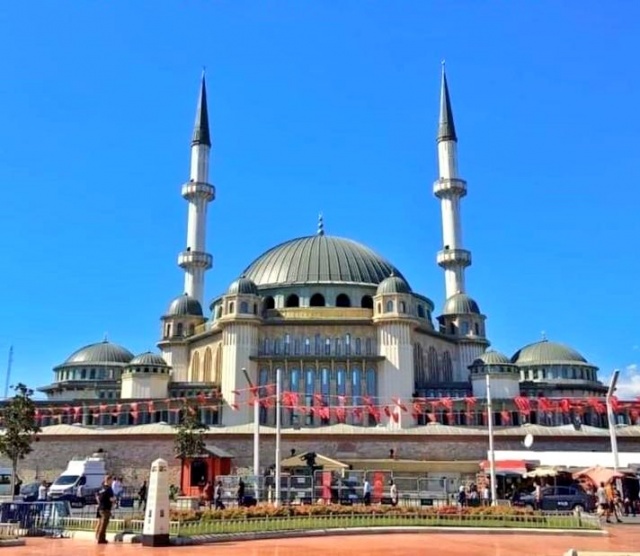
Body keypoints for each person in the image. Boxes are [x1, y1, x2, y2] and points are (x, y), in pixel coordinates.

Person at [95, 475, 115, 545]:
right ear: (108, 480)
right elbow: (111, 499)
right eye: (112, 480)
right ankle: (101, 539)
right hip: (106, 508)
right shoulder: (109, 489)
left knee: (100, 523)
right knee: (104, 524)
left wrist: (100, 503)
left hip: (100, 508)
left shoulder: (101, 488)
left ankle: (97, 536)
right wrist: (114, 501)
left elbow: (97, 497)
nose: (112, 482)